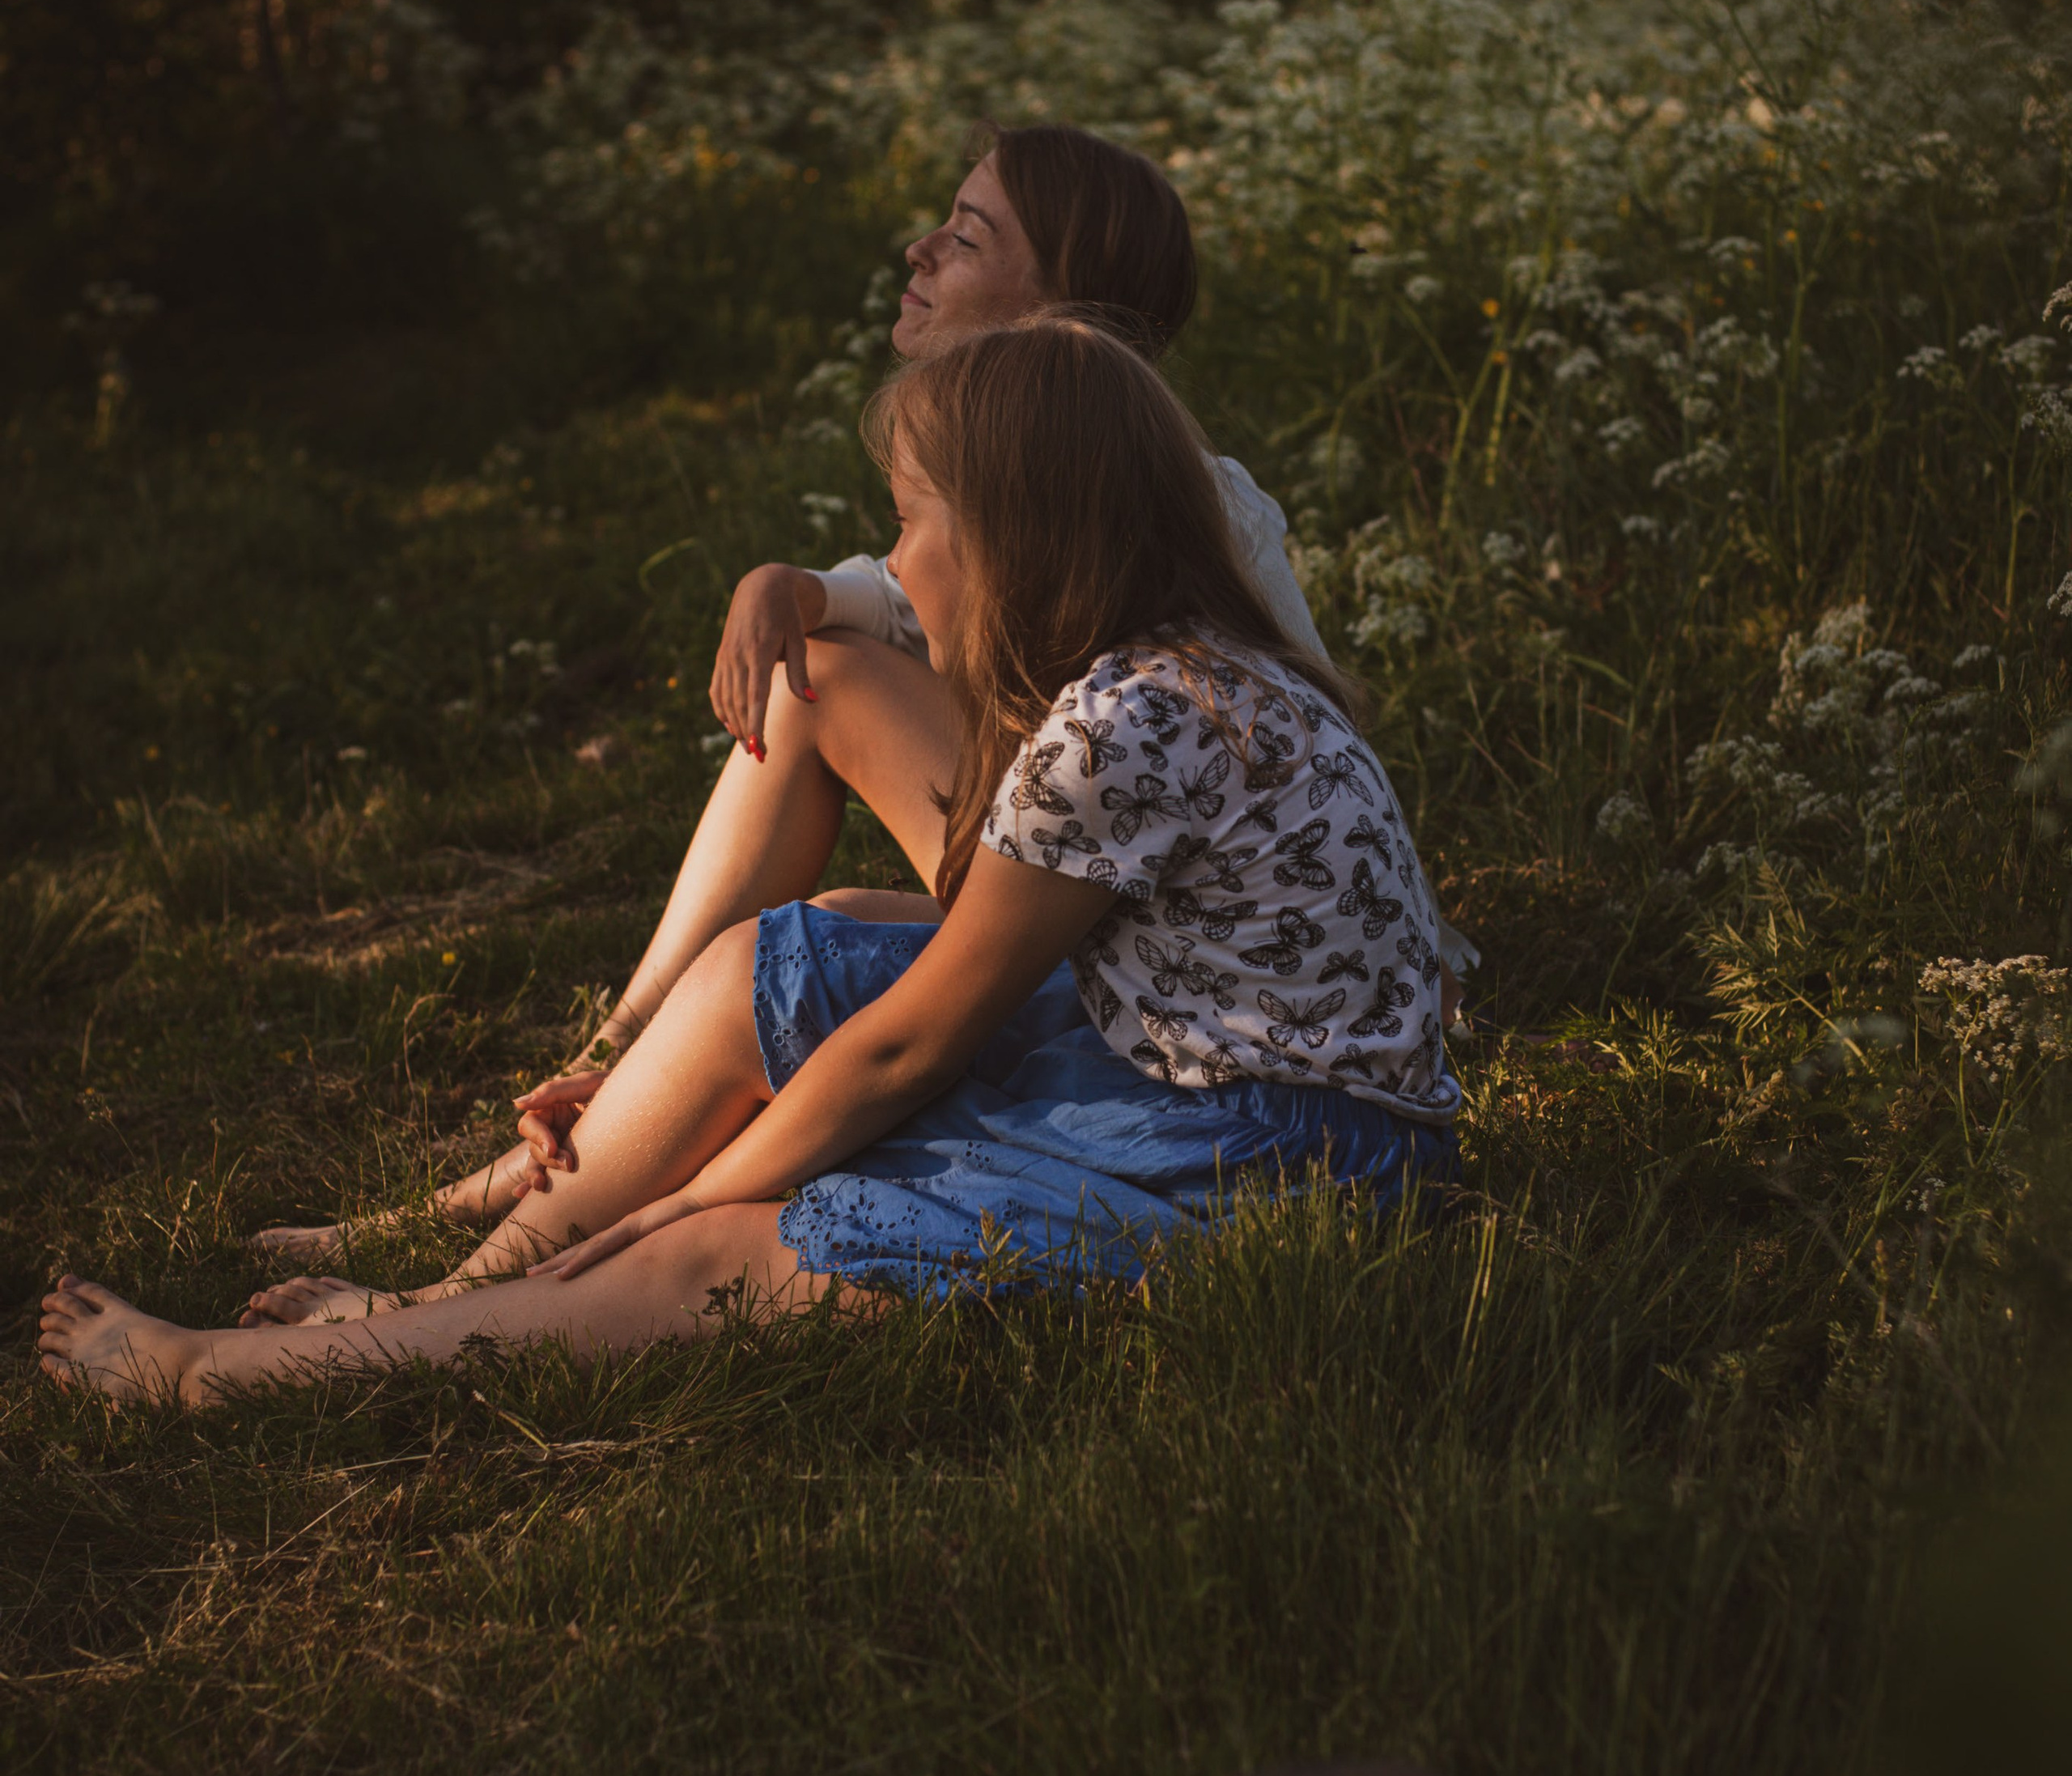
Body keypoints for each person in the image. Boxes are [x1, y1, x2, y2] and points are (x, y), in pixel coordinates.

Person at [40, 314, 1463, 1411]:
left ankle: (220, 1378)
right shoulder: (1177, 679)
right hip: (1183, 1078)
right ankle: (452, 1296)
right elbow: (969, 972)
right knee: (777, 967)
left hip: (1270, 1171)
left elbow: (912, 1050)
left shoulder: (1129, 722)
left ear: (1019, 539)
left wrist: (693, 1193)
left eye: (913, 526)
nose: (895, 571)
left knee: (739, 1250)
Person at [248, 119, 1358, 1279]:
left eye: (968, 237)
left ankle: (545, 1213)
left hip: (1195, 974)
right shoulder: (1042, 476)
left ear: (1063, 314)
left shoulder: (1175, 515)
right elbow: (883, 601)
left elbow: (1261, 766)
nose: (922, 249)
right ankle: (613, 1088)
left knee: (815, 858)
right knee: (825, 814)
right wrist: (781, 586)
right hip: (1112, 911)